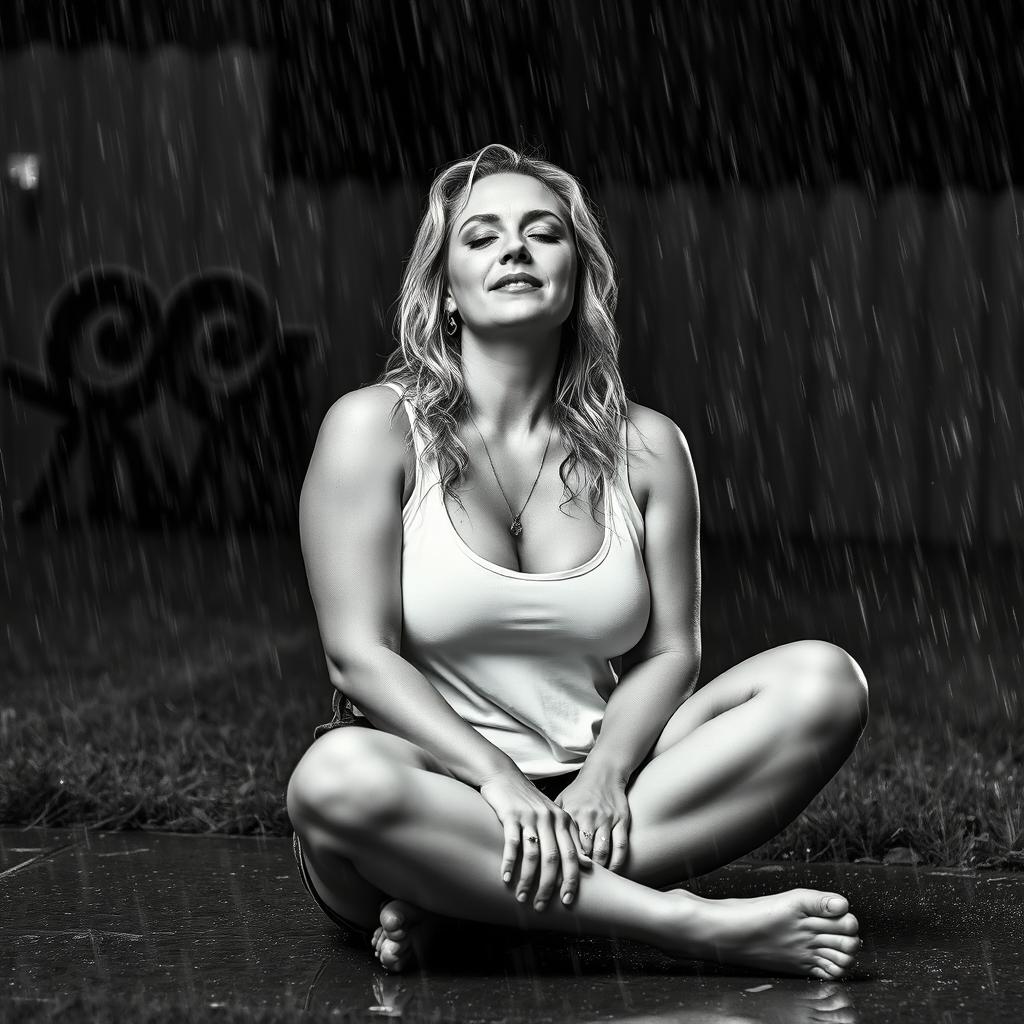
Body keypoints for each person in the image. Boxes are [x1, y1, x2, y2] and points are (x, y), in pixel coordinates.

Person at [286, 143, 869, 978]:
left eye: (542, 232)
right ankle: (684, 926)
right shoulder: (370, 429)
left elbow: (671, 652)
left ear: (577, 277)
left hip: (603, 799)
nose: (514, 248)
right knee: (333, 781)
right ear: (445, 289)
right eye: (482, 237)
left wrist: (602, 774)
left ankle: (477, 911)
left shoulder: (650, 449)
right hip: (429, 793)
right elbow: (359, 655)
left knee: (825, 682)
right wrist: (496, 781)